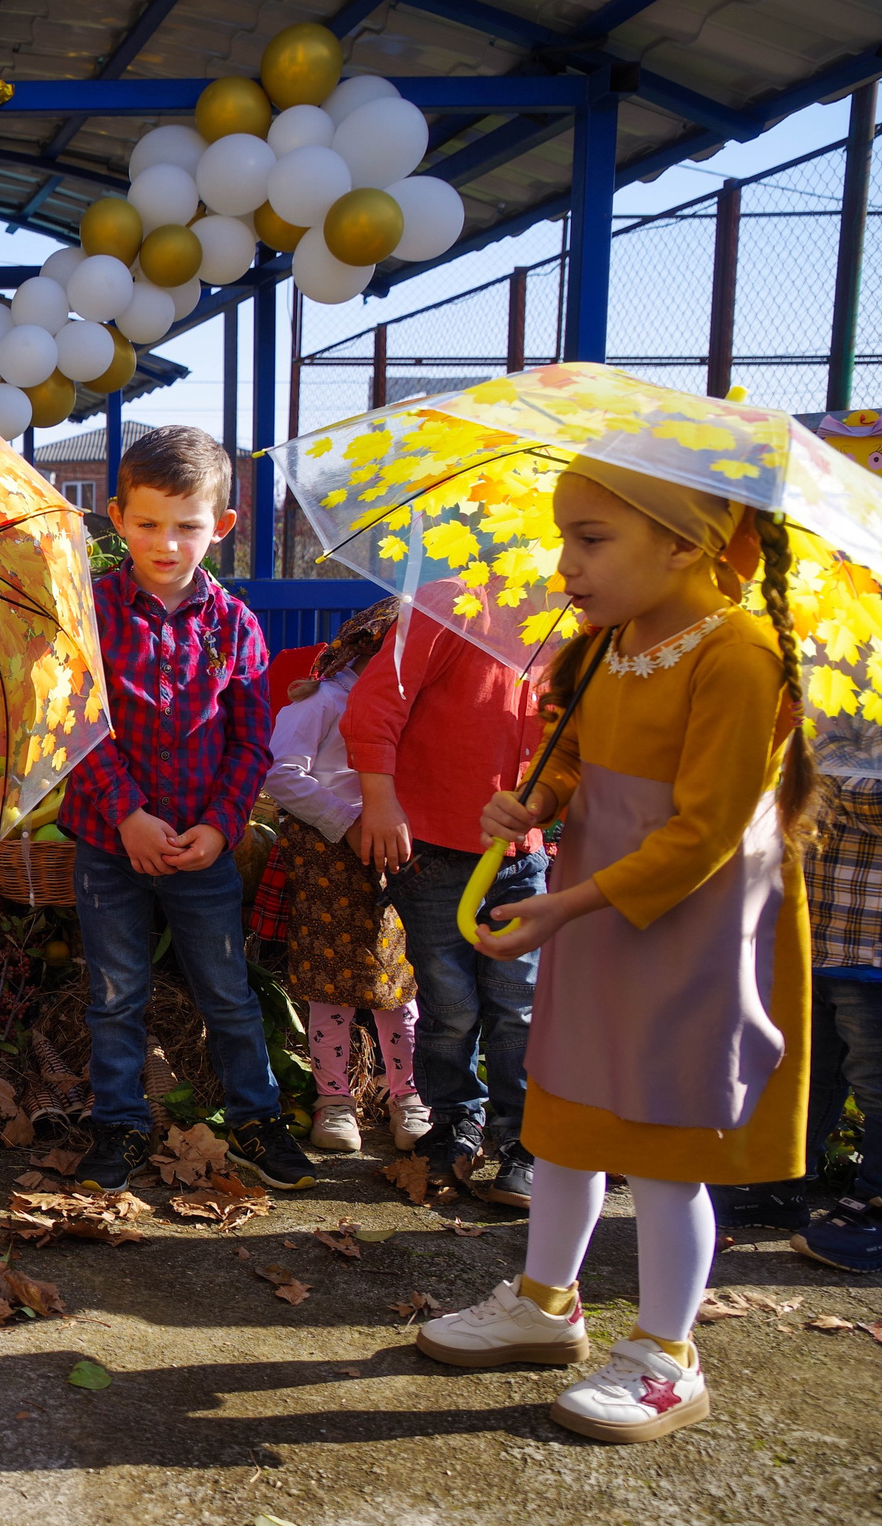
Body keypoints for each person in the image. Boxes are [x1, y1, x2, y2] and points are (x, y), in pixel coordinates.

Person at [417, 458, 815, 1444]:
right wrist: (538, 800)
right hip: (594, 910)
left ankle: (666, 1352)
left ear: (681, 541)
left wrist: (570, 905)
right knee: (568, 1111)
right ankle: (545, 1302)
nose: (565, 565)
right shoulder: (607, 644)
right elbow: (584, 759)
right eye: (564, 539)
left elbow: (706, 829)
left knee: (665, 1141)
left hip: (687, 925)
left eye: (589, 540)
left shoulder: (738, 653)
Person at [57, 426, 314, 1194]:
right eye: (147, 523)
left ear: (222, 526)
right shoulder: (92, 612)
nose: (167, 543)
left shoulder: (235, 625)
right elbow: (78, 720)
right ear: (116, 516)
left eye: (188, 525)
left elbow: (249, 737)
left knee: (227, 990)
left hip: (203, 844)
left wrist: (222, 825)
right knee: (115, 993)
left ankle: (256, 1119)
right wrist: (127, 812)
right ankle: (119, 1123)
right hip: (110, 843)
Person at [340, 576, 548, 1208]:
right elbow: (375, 709)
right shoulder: (450, 604)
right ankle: (454, 1122)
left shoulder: (571, 620)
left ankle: (523, 1140)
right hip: (434, 850)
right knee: (451, 1002)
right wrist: (379, 801)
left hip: (519, 853)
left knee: (517, 1003)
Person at [259, 599, 426, 1154]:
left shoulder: (412, 709)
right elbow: (281, 774)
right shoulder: (322, 703)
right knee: (329, 984)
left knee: (396, 982)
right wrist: (348, 820)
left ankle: (405, 1094)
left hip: (393, 859)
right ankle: (335, 1100)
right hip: (330, 861)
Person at [750, 775, 882, 1268]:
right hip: (821, 941)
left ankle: (874, 1210)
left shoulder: (840, 750)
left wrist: (810, 777)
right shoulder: (844, 708)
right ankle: (779, 1186)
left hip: (872, 949)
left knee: (876, 1088)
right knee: (810, 1073)